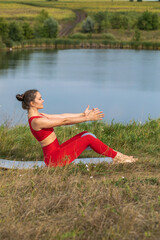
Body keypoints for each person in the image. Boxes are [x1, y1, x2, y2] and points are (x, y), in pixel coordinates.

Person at [16, 89, 138, 167]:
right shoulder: (37, 121)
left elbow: (62, 115)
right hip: (55, 160)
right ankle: (119, 157)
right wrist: (87, 118)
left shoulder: (39, 115)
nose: (43, 100)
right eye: (40, 98)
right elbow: (64, 121)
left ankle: (117, 156)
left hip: (56, 153)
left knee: (85, 134)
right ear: (32, 103)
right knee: (88, 138)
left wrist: (83, 114)